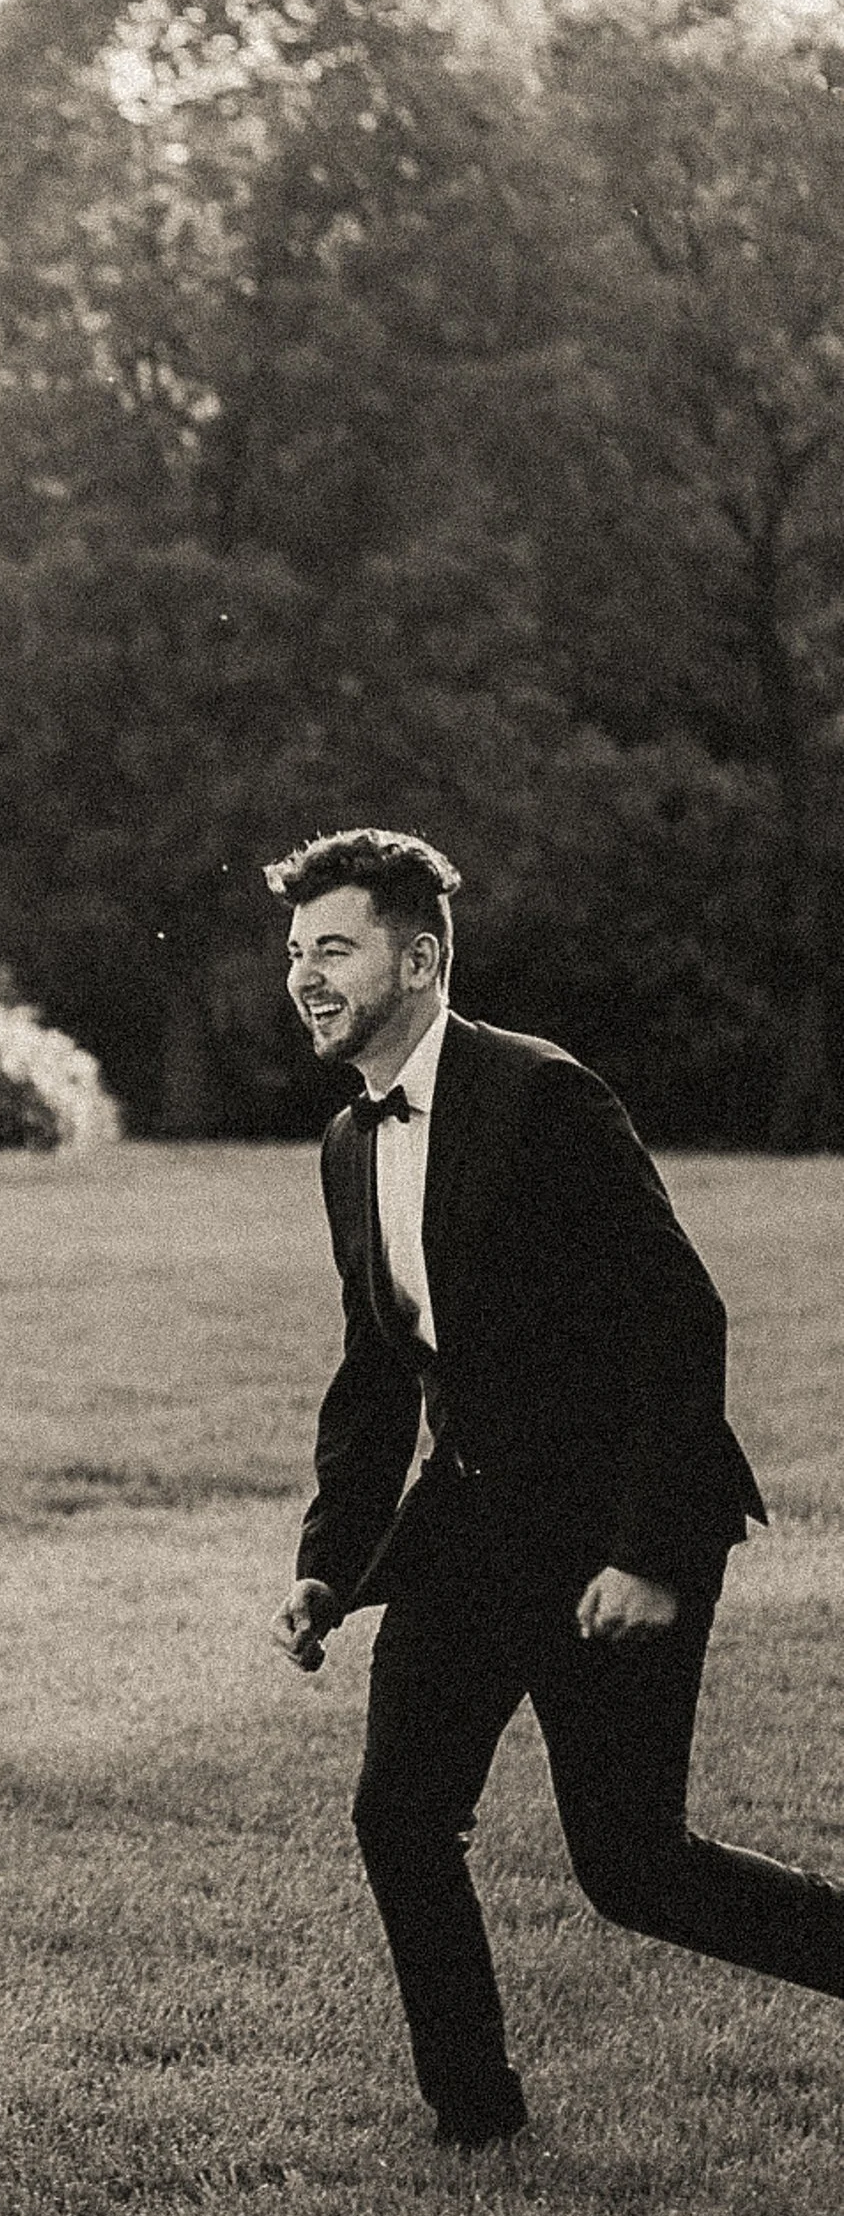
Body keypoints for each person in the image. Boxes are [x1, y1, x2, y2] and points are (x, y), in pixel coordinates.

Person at [265, 824, 844, 2149]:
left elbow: (677, 1318)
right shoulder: (348, 1143)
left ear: (419, 958)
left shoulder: (540, 1096)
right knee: (400, 1814)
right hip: (468, 1525)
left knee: (637, 1868)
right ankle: (476, 2121)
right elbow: (378, 1368)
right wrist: (327, 1561)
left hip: (611, 1527)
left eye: (334, 946)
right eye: (296, 952)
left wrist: (646, 1553)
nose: (304, 975)